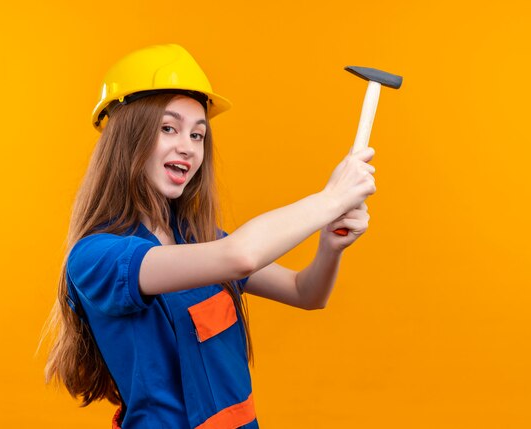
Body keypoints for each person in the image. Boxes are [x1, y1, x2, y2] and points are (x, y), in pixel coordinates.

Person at [45, 44, 375, 429]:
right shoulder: (97, 257)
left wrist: (330, 245)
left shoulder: (195, 239)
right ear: (127, 138)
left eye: (198, 135)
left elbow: (307, 293)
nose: (187, 147)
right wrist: (331, 199)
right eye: (169, 128)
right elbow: (241, 256)